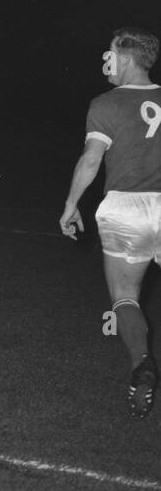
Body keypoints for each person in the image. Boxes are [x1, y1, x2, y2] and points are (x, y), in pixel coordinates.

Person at [60, 27, 161, 416]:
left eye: (111, 54)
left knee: (125, 297)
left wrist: (71, 204)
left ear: (127, 58)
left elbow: (91, 160)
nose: (107, 60)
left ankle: (141, 362)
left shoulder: (105, 103)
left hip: (125, 210)